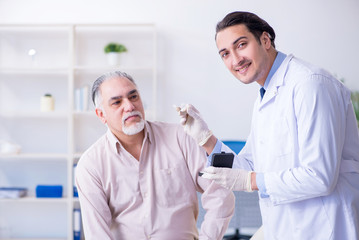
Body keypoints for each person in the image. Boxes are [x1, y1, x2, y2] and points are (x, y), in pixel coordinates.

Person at [176, 11, 359, 239]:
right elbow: (249, 165)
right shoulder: (265, 97)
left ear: (265, 40)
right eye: (225, 54)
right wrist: (206, 140)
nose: (235, 60)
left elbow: (319, 177)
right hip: (286, 228)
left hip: (325, 229)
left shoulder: (310, 85)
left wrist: (250, 181)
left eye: (241, 45)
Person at [75, 71, 235, 240]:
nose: (129, 106)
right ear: (101, 115)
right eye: (117, 102)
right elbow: (98, 234)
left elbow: (220, 194)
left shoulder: (179, 137)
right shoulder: (90, 165)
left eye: (133, 97)